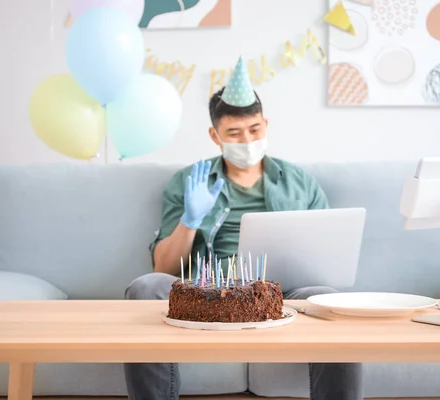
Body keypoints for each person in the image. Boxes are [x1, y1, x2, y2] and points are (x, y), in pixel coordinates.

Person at [123, 57, 363, 400]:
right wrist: (190, 220)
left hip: (282, 292)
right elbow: (162, 269)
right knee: (145, 287)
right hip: (204, 292)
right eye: (234, 133)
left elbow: (328, 261)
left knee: (333, 301)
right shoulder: (189, 181)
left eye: (254, 130)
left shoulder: (299, 182)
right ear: (215, 135)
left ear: (266, 124)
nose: (246, 140)